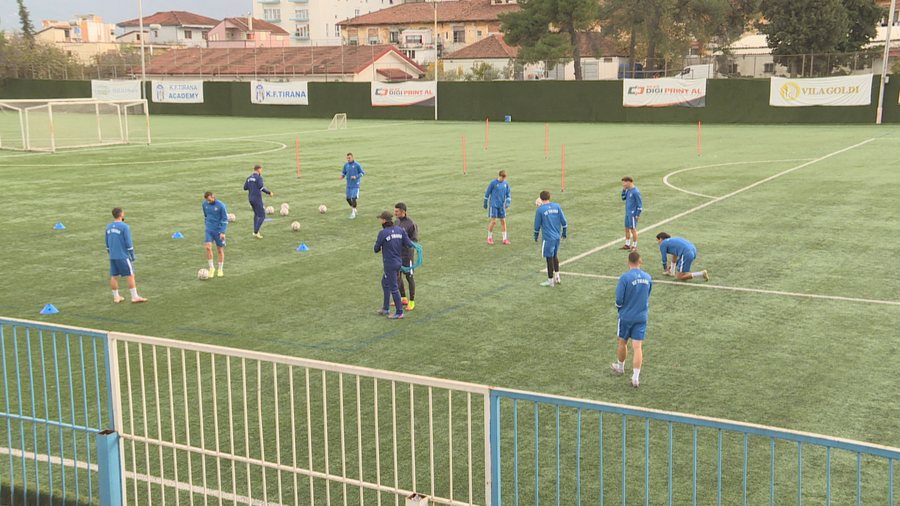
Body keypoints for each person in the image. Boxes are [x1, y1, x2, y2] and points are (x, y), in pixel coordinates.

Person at [611, 251, 652, 388]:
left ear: (628, 262)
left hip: (626, 316)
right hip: (641, 316)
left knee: (622, 342)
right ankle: (635, 377)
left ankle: (621, 367)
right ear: (640, 261)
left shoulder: (625, 278)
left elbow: (618, 300)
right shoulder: (648, 277)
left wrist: (620, 307)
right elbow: (648, 294)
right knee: (637, 347)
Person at [374, 211, 413, 319]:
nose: (379, 220)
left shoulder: (383, 233)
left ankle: (399, 312)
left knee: (394, 287)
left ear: (384, 221)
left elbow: (376, 249)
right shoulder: (400, 230)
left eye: (380, 219)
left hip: (389, 264)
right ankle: (386, 308)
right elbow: (409, 244)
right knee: (385, 282)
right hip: (398, 262)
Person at [105, 207, 147, 303]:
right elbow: (128, 242)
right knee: (131, 275)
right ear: (121, 215)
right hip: (123, 255)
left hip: (113, 256)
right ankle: (134, 296)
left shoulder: (108, 227)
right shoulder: (125, 227)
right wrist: (132, 255)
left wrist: (110, 253)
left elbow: (107, 242)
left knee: (114, 276)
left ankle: (116, 297)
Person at [534, 190, 567, 287]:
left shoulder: (540, 210)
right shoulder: (557, 206)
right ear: (549, 197)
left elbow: (537, 225)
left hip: (548, 238)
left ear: (541, 198)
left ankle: (550, 280)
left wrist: (535, 236)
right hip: (557, 237)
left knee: (549, 258)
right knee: (555, 256)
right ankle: (557, 277)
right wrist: (564, 233)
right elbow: (564, 222)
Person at [394, 202, 418, 311]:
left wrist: (404, 243)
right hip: (397, 254)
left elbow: (414, 240)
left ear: (403, 212)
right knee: (397, 276)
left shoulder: (411, 224)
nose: (395, 213)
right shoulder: (397, 221)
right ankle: (403, 298)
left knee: (409, 277)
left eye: (397, 211)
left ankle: (412, 301)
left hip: (407, 255)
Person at [202, 191, 228, 277]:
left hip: (218, 231)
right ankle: (211, 268)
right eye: (207, 200)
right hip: (209, 230)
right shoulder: (204, 204)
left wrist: (223, 232)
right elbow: (206, 215)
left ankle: (220, 269)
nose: (208, 202)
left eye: (209, 200)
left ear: (213, 197)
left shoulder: (221, 205)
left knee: (220, 250)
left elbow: (224, 219)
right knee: (208, 248)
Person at [243, 164, 273, 239]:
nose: (261, 171)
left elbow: (245, 188)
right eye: (261, 169)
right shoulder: (259, 178)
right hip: (257, 199)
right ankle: (256, 232)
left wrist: (252, 186)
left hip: (250, 198)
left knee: (256, 214)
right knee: (262, 216)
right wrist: (269, 192)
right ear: (258, 169)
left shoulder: (249, 178)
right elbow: (261, 187)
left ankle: (255, 231)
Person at [483, 170, 511, 245]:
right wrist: (485, 202)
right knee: (493, 221)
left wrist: (508, 201)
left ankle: (505, 239)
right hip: (493, 205)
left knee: (503, 221)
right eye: (503, 178)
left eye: (504, 178)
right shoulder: (493, 183)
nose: (503, 180)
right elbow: (487, 193)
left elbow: (508, 194)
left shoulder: (506, 184)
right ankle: (489, 238)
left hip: (501, 206)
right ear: (500, 176)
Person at [620, 176, 643, 251]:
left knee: (633, 230)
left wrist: (637, 214)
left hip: (633, 214)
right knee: (627, 229)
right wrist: (623, 190)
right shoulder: (627, 190)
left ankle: (634, 246)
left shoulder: (636, 192)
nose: (623, 185)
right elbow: (623, 198)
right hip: (627, 213)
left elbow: (640, 205)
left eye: (624, 183)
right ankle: (627, 244)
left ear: (629, 182)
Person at [341, 153, 365, 219]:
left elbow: (362, 173)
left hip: (355, 185)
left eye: (349, 158)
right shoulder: (346, 165)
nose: (348, 159)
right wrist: (342, 176)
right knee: (348, 199)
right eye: (347, 158)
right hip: (349, 185)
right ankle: (354, 209)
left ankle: (353, 213)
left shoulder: (357, 165)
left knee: (354, 198)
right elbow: (344, 172)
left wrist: (356, 177)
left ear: (352, 158)